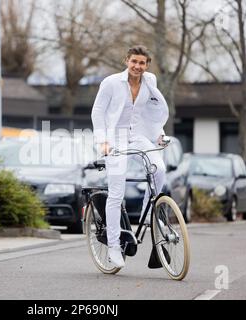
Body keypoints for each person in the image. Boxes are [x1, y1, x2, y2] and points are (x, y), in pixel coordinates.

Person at [91, 45, 169, 268]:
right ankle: (114, 246)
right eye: (134, 61)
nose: (137, 66)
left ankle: (151, 215)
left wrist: (159, 135)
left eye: (142, 63)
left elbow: (151, 112)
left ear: (147, 65)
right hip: (114, 140)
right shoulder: (111, 82)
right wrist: (102, 142)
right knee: (117, 192)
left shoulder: (150, 81)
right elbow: (97, 112)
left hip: (137, 137)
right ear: (127, 61)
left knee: (159, 168)